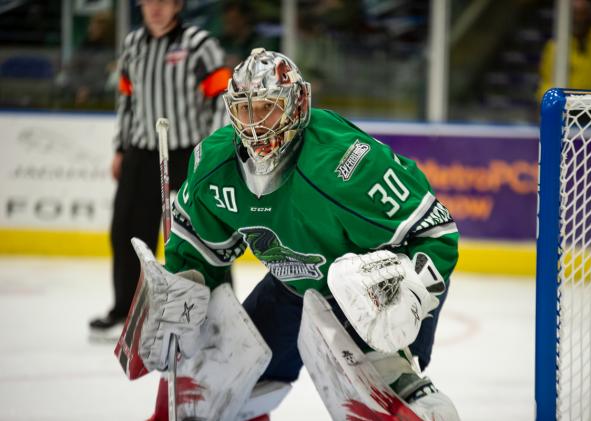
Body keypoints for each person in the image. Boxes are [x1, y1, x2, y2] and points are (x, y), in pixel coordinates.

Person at [137, 48, 460, 420]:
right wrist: (181, 297)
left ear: (296, 103)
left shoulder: (344, 164)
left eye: (267, 107)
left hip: (369, 293)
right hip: (292, 286)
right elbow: (198, 249)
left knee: (395, 407)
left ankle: (400, 386)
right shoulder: (214, 165)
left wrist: (410, 297)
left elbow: (435, 232)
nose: (254, 125)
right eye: (244, 109)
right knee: (211, 391)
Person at [88, 0, 231, 340]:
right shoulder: (133, 44)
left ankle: (220, 312)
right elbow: (126, 100)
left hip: (188, 152)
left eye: (164, 1)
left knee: (203, 236)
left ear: (178, 5)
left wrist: (211, 152)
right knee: (126, 231)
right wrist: (121, 148)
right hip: (141, 152)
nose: (156, 8)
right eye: (150, 0)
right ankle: (128, 309)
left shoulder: (200, 44)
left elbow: (221, 97)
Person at [55, 10, 117, 108]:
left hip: (100, 97)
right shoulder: (83, 47)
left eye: (96, 27)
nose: (91, 29)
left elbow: (108, 79)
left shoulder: (112, 52)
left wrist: (89, 90)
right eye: (91, 25)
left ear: (105, 30)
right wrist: (80, 88)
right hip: (77, 91)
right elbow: (71, 69)